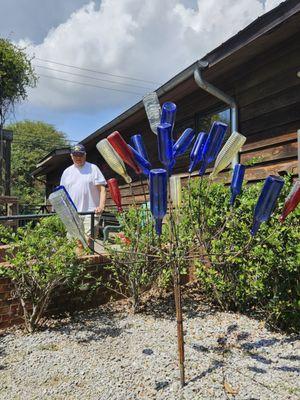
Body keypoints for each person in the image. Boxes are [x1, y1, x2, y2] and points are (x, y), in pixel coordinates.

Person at [60, 143, 106, 251]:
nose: (78, 158)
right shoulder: (67, 172)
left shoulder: (93, 168)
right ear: (71, 156)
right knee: (75, 242)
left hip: (91, 211)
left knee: (87, 239)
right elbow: (62, 193)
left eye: (80, 155)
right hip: (72, 213)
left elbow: (102, 189)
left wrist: (101, 206)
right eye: (75, 155)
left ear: (85, 155)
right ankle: (82, 264)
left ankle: (86, 264)